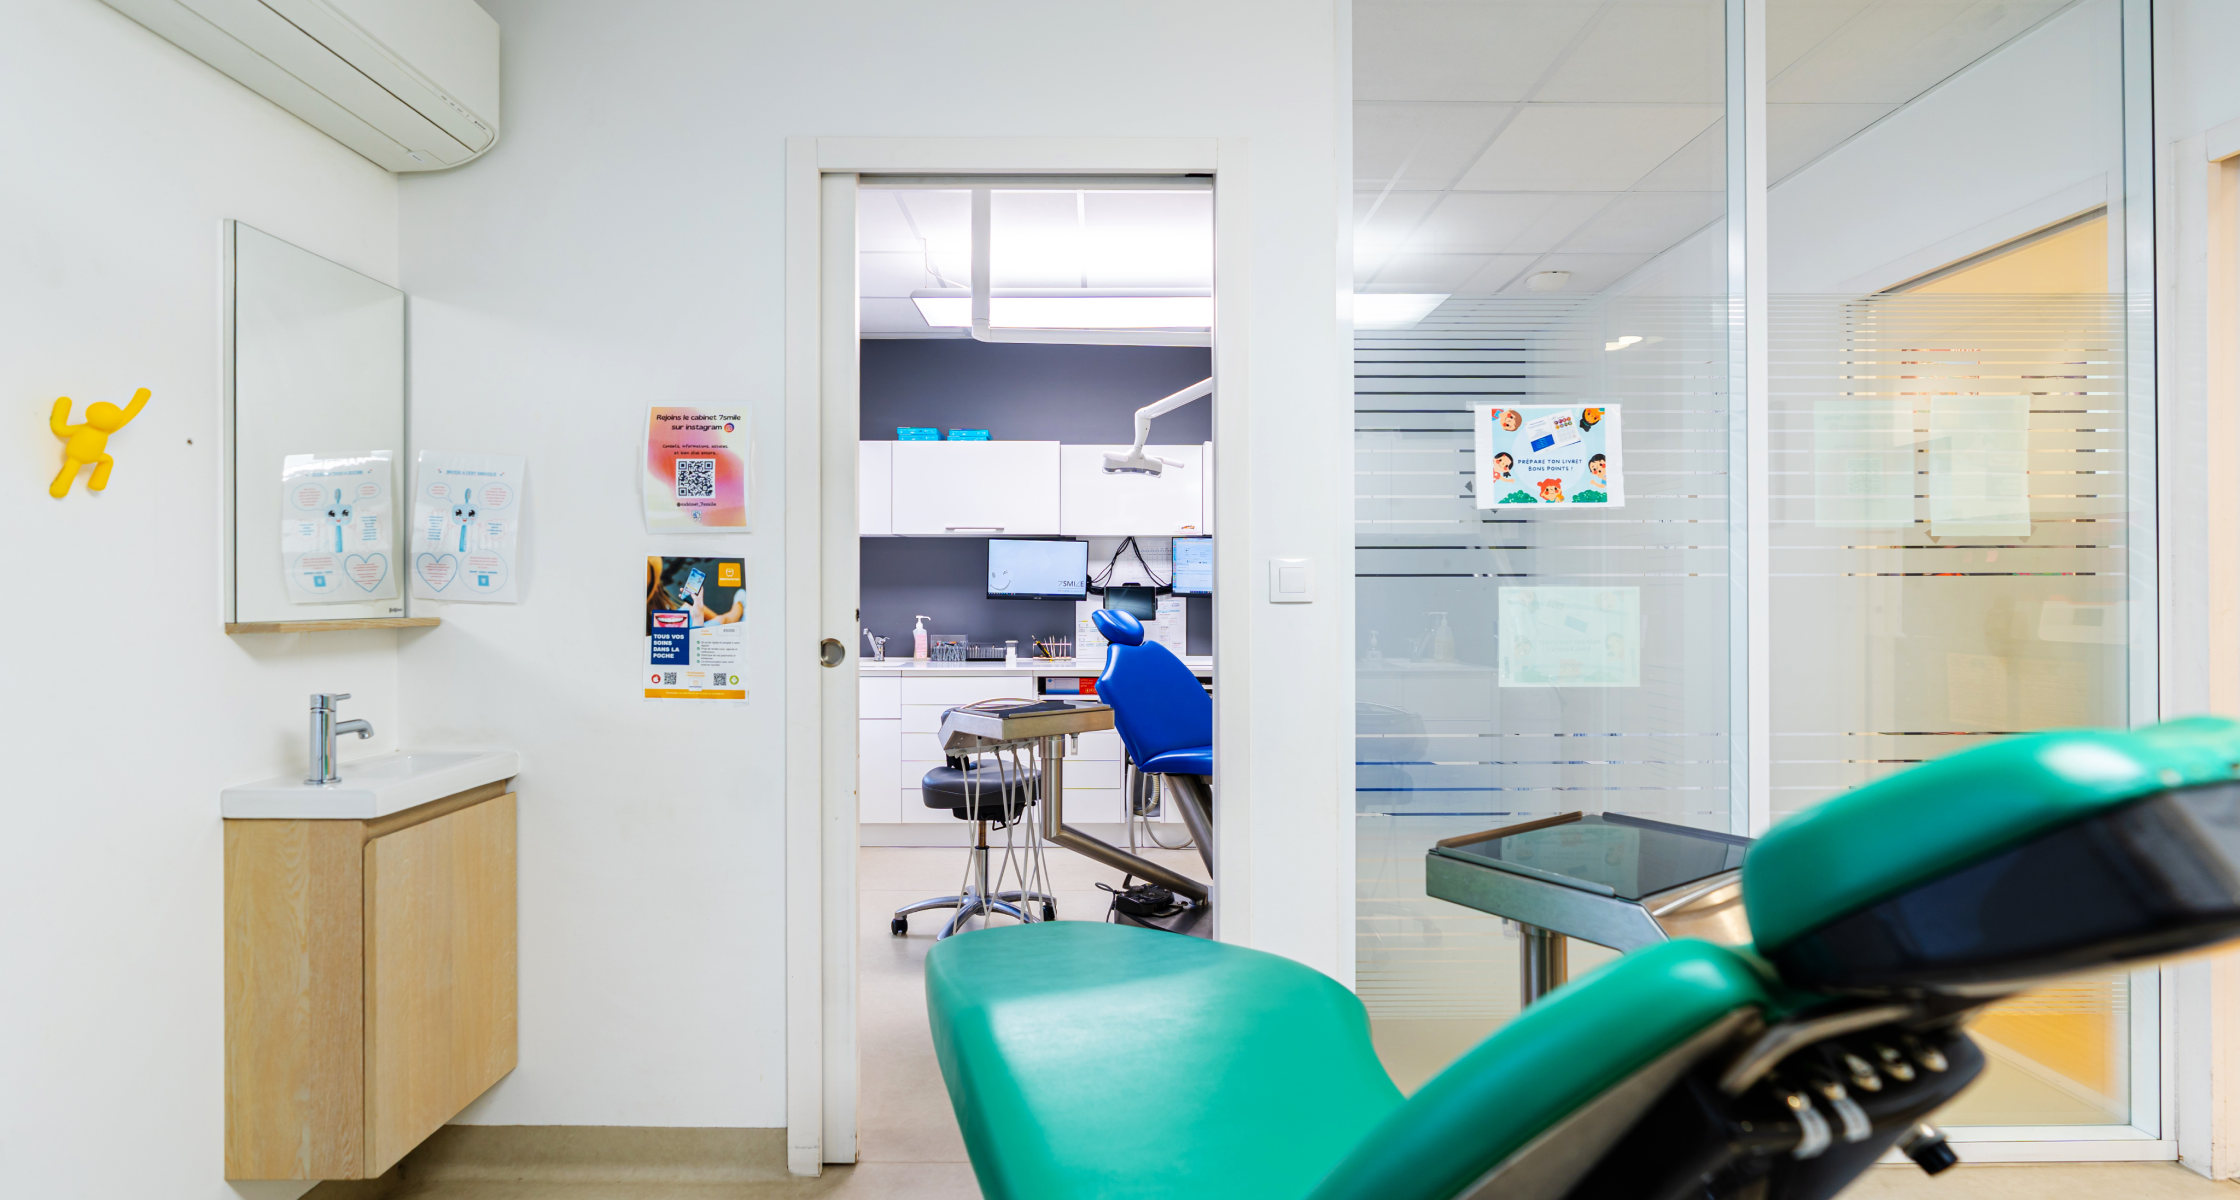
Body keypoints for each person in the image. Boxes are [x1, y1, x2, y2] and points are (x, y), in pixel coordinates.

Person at [647, 556, 744, 624]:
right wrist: (698, 619)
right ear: (655, 588)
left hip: (670, 621)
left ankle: (722, 623)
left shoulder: (651, 614)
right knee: (721, 619)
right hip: (680, 627)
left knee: (689, 606)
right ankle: (739, 608)